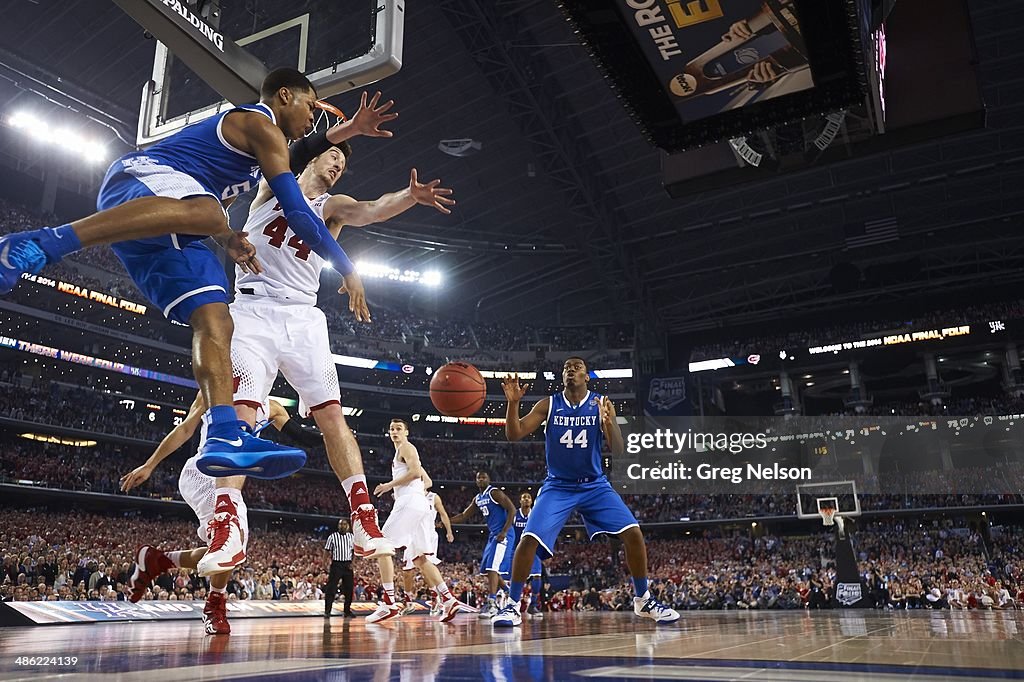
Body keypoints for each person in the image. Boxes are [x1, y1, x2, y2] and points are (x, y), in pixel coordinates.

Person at [0, 68, 394, 484]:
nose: (314, 118)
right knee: (210, 211)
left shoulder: (271, 151)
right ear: (283, 96)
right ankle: (41, 243)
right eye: (311, 106)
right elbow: (297, 209)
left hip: (168, 221)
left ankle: (225, 434)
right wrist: (348, 269)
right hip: (142, 178)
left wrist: (225, 238)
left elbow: (294, 160)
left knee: (216, 317)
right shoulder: (259, 123)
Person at [228, 107, 453, 558]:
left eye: (344, 164)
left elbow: (371, 209)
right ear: (314, 158)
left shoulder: (331, 209)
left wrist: (408, 198)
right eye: (333, 158)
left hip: (302, 318)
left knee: (333, 417)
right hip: (252, 311)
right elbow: (294, 151)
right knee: (244, 410)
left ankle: (364, 520)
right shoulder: (274, 186)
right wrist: (343, 130)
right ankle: (228, 520)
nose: (337, 166)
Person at [491, 357, 680, 626]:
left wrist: (609, 424)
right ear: (563, 376)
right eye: (567, 367)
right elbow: (514, 434)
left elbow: (618, 450)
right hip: (558, 485)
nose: (571, 369)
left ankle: (643, 600)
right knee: (528, 539)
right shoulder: (549, 404)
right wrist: (512, 404)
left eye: (577, 366)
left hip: (594, 484)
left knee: (634, 533)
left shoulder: (601, 404)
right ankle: (511, 606)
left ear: (587, 376)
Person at [119, 395, 304, 633]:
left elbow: (296, 432)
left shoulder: (272, 407)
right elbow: (185, 428)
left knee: (232, 550)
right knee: (230, 542)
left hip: (228, 485)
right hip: (203, 474)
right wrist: (150, 464)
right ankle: (214, 606)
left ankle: (157, 561)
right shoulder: (216, 389)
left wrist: (323, 435)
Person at [366, 418, 470, 623]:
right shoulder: (404, 452)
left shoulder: (406, 448)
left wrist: (389, 486)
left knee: (382, 546)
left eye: (398, 429)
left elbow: (414, 473)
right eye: (391, 428)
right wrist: (415, 491)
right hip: (420, 505)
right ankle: (449, 600)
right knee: (420, 558)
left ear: (406, 432)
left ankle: (389, 603)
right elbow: (427, 480)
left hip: (410, 502)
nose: (394, 432)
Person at [448, 471, 517, 618]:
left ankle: (492, 603)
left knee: (493, 567)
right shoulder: (478, 498)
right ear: (476, 481)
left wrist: (504, 531)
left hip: (504, 534)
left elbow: (512, 509)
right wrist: (446, 522)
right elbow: (464, 516)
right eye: (478, 477)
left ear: (489, 479)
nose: (481, 479)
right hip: (493, 535)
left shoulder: (495, 493)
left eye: (483, 477)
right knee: (486, 570)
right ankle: (508, 592)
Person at [513, 491, 544, 619]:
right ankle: (512, 605)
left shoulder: (536, 514)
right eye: (524, 498)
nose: (526, 499)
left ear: (531, 501)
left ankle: (533, 605)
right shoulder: (514, 515)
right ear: (520, 501)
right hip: (516, 550)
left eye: (528, 498)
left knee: (537, 576)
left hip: (533, 550)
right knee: (513, 579)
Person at [323, 519, 356, 618]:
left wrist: (352, 562)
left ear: (348, 526)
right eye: (341, 524)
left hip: (347, 565)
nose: (342, 526)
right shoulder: (332, 537)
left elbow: (354, 551)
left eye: (344, 524)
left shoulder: (351, 537)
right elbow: (327, 551)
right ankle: (327, 611)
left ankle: (347, 611)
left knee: (349, 589)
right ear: (338, 526)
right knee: (331, 588)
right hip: (337, 564)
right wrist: (324, 563)